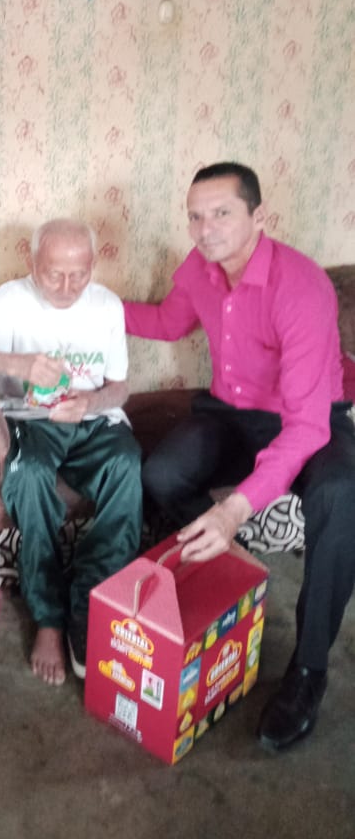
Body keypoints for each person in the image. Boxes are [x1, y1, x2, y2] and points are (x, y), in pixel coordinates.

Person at [123, 161, 355, 752]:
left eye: (221, 213)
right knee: (161, 472)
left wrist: (234, 510)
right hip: (230, 414)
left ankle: (309, 669)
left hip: (310, 421)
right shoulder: (199, 269)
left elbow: (305, 427)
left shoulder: (301, 287)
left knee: (341, 494)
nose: (205, 229)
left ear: (259, 217)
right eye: (195, 216)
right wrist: (85, 304)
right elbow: (167, 323)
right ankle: (233, 572)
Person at [0, 219, 143, 686]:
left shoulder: (107, 305)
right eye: (54, 274)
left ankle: (89, 604)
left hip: (92, 420)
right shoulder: (9, 300)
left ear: (93, 266)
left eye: (79, 274)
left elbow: (119, 387)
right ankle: (50, 618)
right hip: (29, 420)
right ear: (32, 264)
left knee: (127, 464)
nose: (67, 287)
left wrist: (90, 404)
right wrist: (15, 364)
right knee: (30, 475)